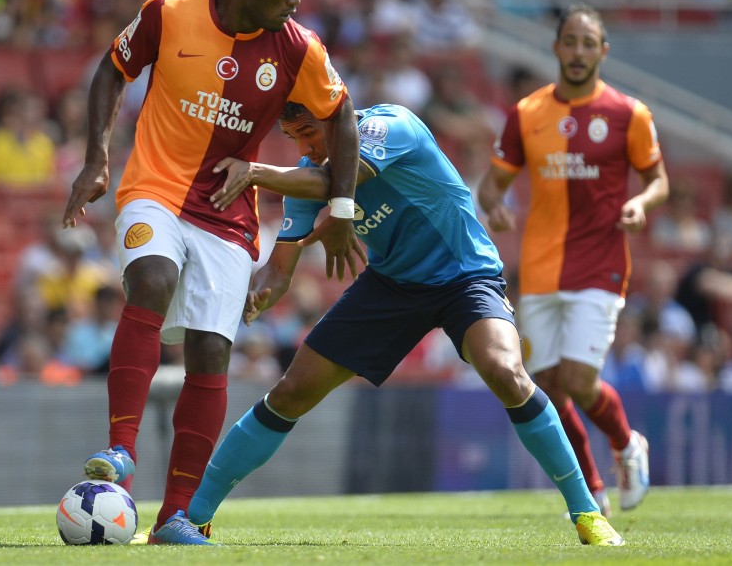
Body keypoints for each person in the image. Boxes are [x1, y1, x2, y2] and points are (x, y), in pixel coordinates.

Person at [153, 101, 624, 546]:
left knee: (506, 372)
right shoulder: (306, 172)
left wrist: (255, 172)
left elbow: (340, 181)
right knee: (291, 391)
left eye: (310, 133)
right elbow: (280, 270)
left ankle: (587, 513)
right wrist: (255, 295)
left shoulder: (389, 127)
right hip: (392, 286)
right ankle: (193, 517)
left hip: (465, 276)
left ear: (335, 115)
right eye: (295, 138)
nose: (307, 147)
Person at [61, 0, 363, 546]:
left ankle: (175, 517)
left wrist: (340, 208)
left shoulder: (300, 49)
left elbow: (343, 120)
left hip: (228, 213)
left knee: (210, 350)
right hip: (155, 188)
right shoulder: (168, 12)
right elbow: (112, 70)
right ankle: (120, 449)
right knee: (151, 277)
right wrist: (97, 158)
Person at [478, 4, 670, 517]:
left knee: (580, 381)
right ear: (556, 48)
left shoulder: (629, 114)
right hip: (541, 268)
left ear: (602, 51)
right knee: (548, 388)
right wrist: (495, 206)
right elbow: (491, 185)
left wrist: (640, 204)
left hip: (599, 265)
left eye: (589, 43)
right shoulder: (526, 114)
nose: (579, 52)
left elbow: (658, 181)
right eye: (570, 42)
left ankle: (627, 444)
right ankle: (593, 492)